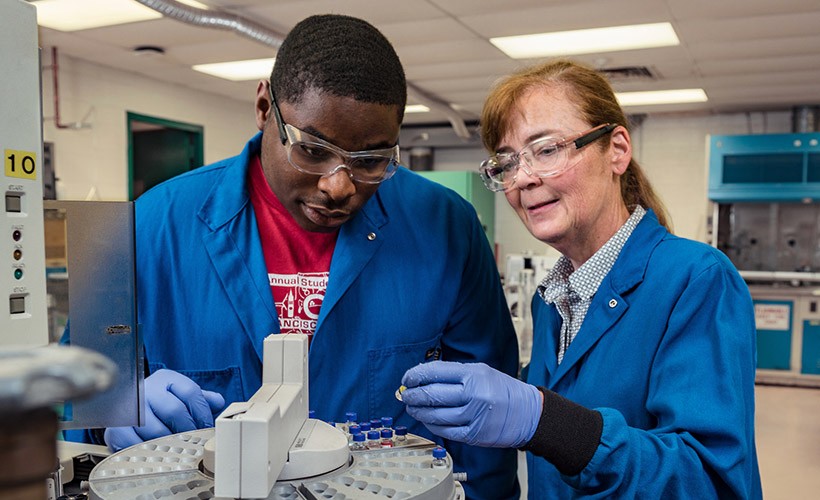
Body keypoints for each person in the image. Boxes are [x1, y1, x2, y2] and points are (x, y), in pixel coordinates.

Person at [66, 14, 520, 499]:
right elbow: (73, 401)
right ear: (265, 108)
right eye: (313, 149)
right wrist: (113, 412)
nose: (338, 186)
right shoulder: (138, 226)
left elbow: (487, 429)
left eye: (370, 162)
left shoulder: (448, 226)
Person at [400, 59, 762, 498]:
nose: (524, 179)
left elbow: (709, 481)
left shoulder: (696, 281)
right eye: (508, 162)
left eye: (547, 150)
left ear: (617, 150)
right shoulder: (552, 299)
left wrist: (547, 422)